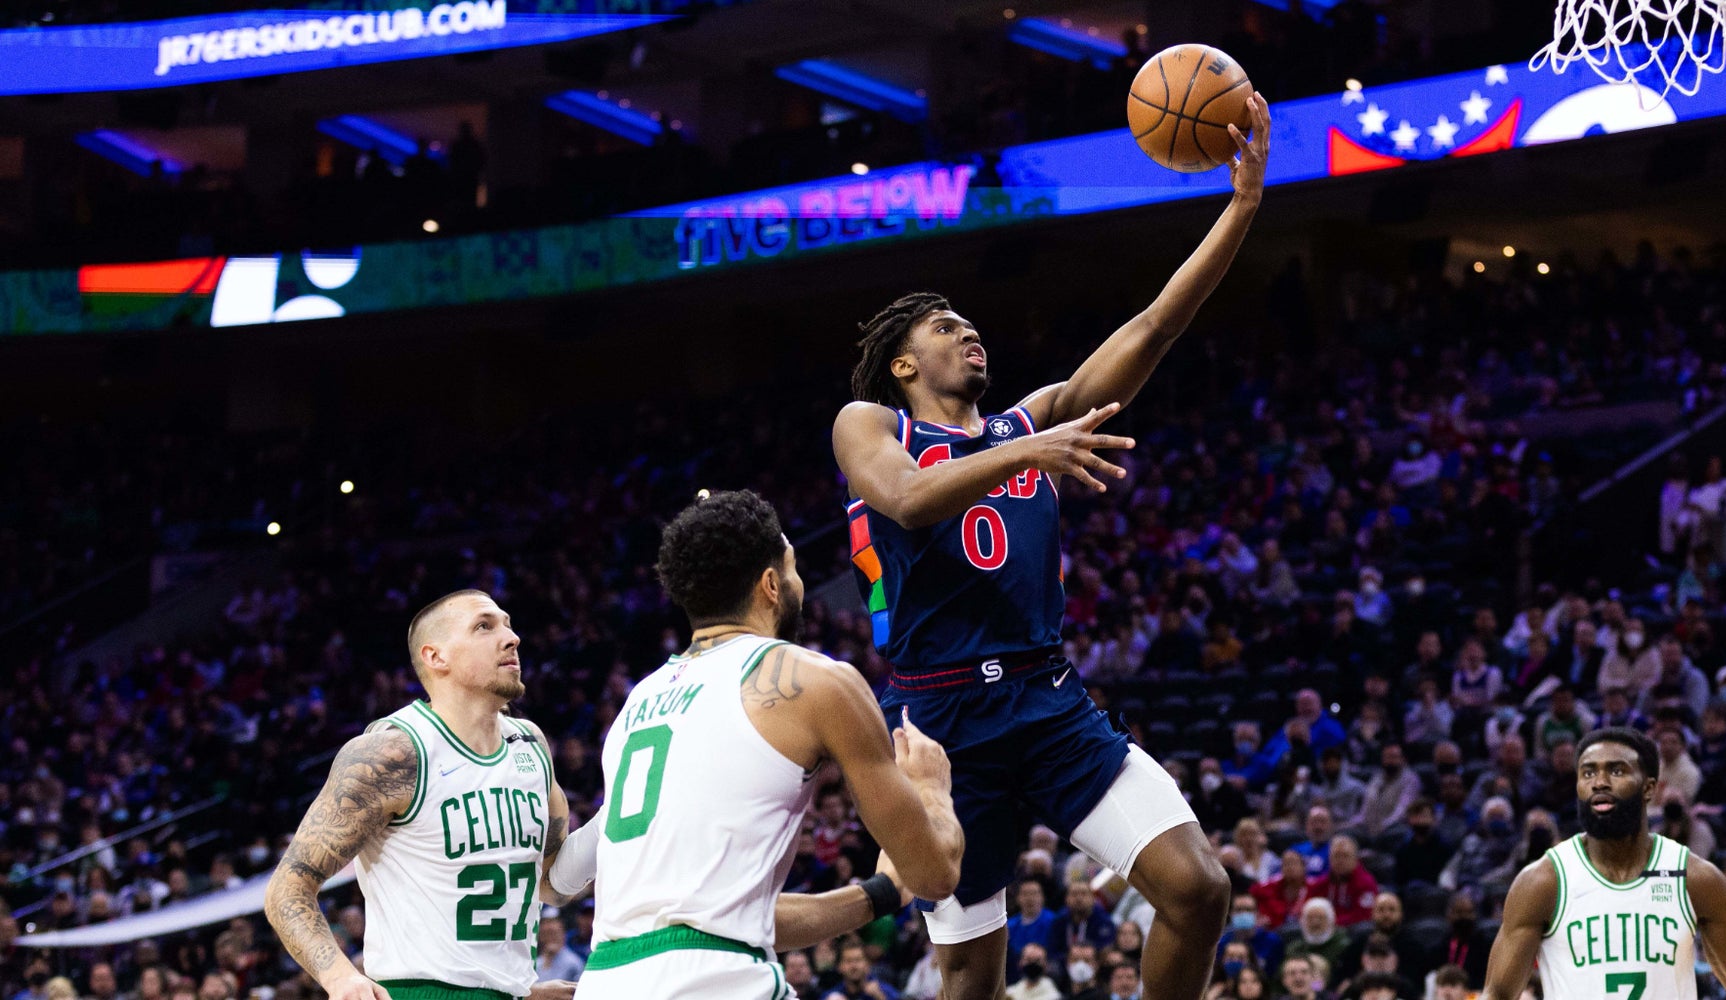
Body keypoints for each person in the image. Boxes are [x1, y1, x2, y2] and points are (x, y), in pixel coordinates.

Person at [829, 92, 1270, 1000]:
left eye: (969, 321)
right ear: (905, 364)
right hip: (941, 725)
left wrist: (1242, 206)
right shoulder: (871, 423)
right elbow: (908, 504)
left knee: (1198, 887)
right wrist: (1025, 448)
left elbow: (1155, 326)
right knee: (971, 977)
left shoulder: (1035, 419)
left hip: (1046, 698)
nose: (967, 329)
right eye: (944, 326)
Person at [576, 492, 965, 999]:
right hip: (716, 982)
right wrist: (933, 790)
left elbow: (725, 917)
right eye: (793, 569)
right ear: (770, 585)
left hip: (606, 979)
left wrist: (879, 894)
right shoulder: (816, 680)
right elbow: (936, 875)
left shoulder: (637, 702)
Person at [265, 589, 585, 1000]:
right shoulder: (393, 754)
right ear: (436, 657)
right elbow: (287, 888)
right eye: (484, 627)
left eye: (507, 624)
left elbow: (551, 885)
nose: (512, 637)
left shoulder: (530, 744)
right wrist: (341, 978)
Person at [1482, 728, 1726, 1000]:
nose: (1599, 782)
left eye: (1616, 770)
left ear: (1648, 788)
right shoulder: (1544, 881)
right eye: (1587, 773)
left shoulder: (1692, 877)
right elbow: (1497, 995)